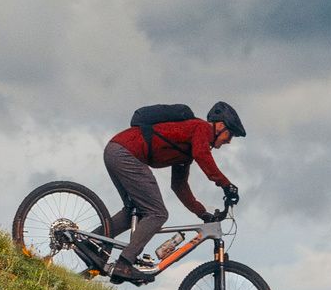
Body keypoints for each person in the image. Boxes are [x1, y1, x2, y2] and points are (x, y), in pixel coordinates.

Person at [91, 100, 246, 279]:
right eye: (230, 135)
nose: (228, 141)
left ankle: (93, 240)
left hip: (116, 151)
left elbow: (179, 186)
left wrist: (202, 214)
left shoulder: (186, 148)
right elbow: (203, 156)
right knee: (157, 213)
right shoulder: (201, 128)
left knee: (135, 213)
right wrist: (226, 184)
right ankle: (124, 264)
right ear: (220, 126)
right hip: (124, 153)